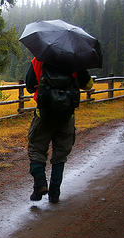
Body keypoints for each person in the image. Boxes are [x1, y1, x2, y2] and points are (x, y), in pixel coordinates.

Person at [25, 57, 93, 203]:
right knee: (60, 154)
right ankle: (54, 193)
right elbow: (88, 85)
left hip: (43, 115)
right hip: (66, 116)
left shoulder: (39, 59)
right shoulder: (75, 60)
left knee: (36, 149)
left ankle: (40, 185)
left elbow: (30, 86)